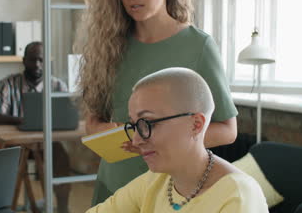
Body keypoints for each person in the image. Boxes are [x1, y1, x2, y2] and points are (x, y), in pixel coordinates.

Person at [76, 0, 238, 205]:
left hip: (173, 191)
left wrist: (155, 139)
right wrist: (117, 134)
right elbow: (92, 125)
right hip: (115, 186)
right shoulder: (107, 46)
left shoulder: (199, 47)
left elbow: (228, 131)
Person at [87, 67, 267, 212]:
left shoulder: (238, 197)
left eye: (148, 123)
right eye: (134, 126)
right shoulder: (156, 180)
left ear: (195, 124)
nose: (136, 141)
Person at [0, 41, 71, 213]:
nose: (37, 65)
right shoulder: (8, 84)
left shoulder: (57, 85)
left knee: (62, 160)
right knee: (7, 164)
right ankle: (7, 207)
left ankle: (63, 208)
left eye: (41, 60)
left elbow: (67, 115)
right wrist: (22, 121)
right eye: (33, 60)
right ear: (24, 61)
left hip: (47, 145)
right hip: (16, 146)